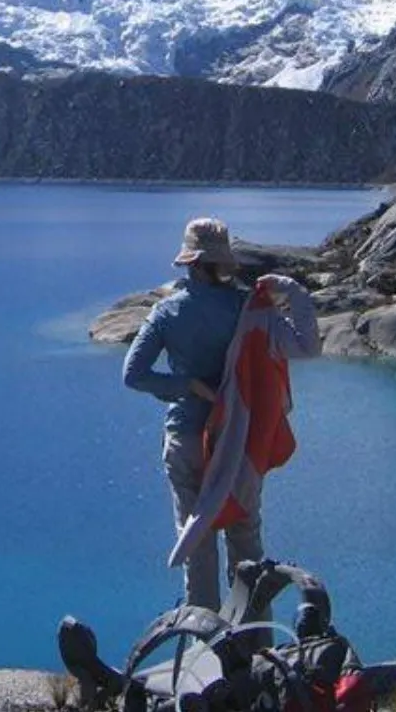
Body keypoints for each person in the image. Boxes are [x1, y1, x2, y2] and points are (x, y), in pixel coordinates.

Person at [122, 217, 260, 611]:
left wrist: (188, 386)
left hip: (188, 438)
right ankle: (256, 645)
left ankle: (208, 649)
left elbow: (133, 376)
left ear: (191, 263)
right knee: (246, 541)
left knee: (196, 545)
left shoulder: (167, 312)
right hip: (240, 440)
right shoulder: (246, 307)